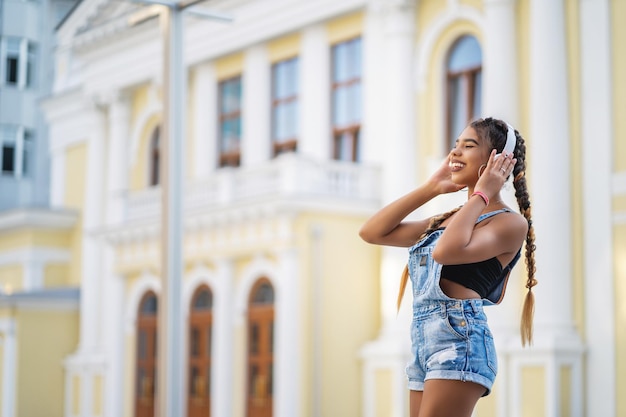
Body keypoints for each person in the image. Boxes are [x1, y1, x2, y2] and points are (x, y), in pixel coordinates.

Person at [359, 117, 536, 417]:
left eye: (468, 146)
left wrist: (482, 193)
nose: (454, 153)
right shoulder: (449, 220)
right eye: (455, 145)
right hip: (424, 341)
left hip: (460, 340)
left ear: (497, 160)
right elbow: (372, 232)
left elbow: (445, 251)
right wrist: (431, 188)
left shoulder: (510, 222)